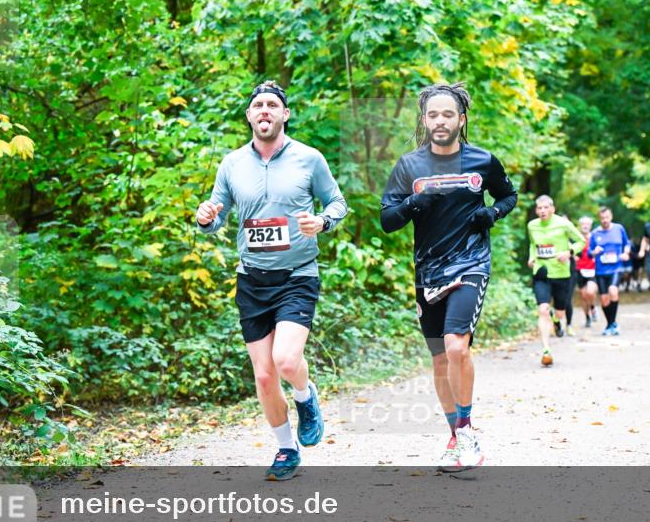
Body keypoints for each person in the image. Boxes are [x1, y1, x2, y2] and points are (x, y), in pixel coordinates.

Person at [195, 80, 348, 480]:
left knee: (285, 360)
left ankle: (305, 395)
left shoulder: (309, 158)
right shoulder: (231, 164)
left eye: (272, 105)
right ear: (249, 116)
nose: (265, 110)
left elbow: (337, 202)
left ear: (285, 114)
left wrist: (323, 221)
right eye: (258, 105)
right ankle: (285, 448)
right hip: (252, 279)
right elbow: (218, 214)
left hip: (298, 274)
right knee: (263, 375)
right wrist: (206, 218)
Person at [380, 82, 517, 472]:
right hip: (429, 271)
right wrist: (411, 203)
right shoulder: (409, 166)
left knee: (457, 346)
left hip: (471, 262)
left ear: (462, 118)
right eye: (433, 114)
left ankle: (469, 429)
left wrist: (492, 213)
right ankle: (455, 436)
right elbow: (388, 220)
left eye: (448, 114)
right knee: (440, 360)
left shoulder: (483, 161)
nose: (440, 121)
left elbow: (508, 195)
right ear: (424, 120)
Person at [527, 196, 585, 366]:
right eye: (539, 208)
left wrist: (569, 252)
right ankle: (546, 350)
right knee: (543, 309)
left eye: (546, 207)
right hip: (541, 273)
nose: (542, 211)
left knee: (560, 311)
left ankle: (557, 320)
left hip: (561, 274)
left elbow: (581, 241)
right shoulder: (532, 225)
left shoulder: (563, 224)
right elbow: (532, 245)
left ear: (552, 208)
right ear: (536, 210)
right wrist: (531, 258)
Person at [589, 206, 631, 335]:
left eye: (607, 217)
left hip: (616, 268)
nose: (605, 220)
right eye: (602, 218)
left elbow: (627, 244)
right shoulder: (595, 233)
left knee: (613, 291)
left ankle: (612, 324)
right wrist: (594, 252)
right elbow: (590, 252)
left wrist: (626, 253)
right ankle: (611, 324)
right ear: (599, 219)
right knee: (604, 299)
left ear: (611, 217)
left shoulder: (619, 229)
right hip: (601, 270)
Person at [574, 216, 599, 327]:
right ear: (579, 225)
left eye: (587, 224)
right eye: (583, 224)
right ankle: (587, 318)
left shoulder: (595, 237)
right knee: (583, 296)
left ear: (590, 226)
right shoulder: (575, 238)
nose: (585, 226)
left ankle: (593, 307)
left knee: (590, 292)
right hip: (580, 269)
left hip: (593, 269)